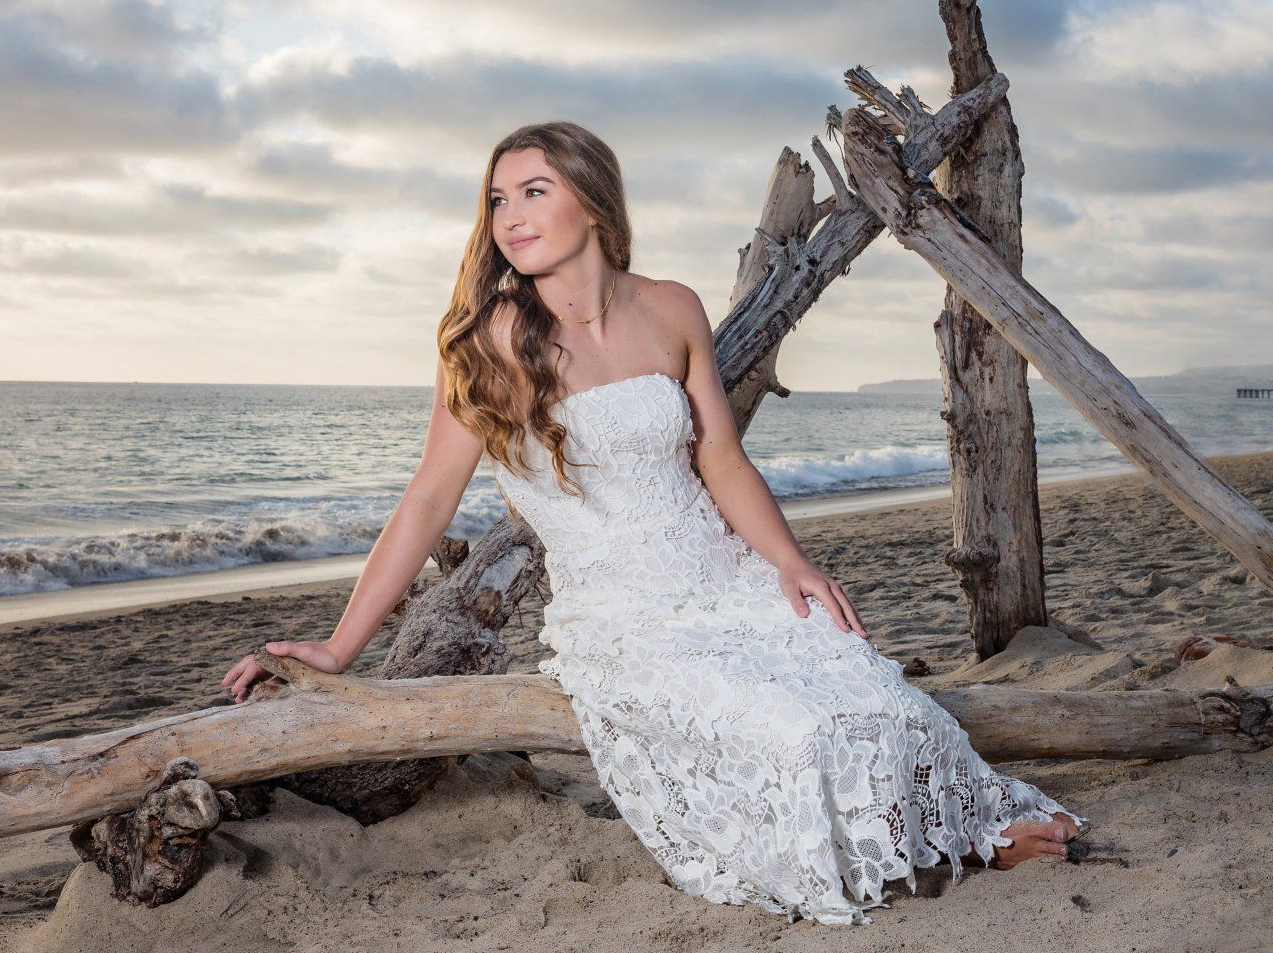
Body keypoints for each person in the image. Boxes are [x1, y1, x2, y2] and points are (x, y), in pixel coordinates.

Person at [221, 119, 1083, 925]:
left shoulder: (673, 307)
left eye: (533, 192)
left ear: (592, 203)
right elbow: (425, 503)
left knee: (882, 703)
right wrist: (339, 649)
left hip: (726, 580)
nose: (509, 218)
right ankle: (943, 849)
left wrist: (789, 562)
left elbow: (720, 461)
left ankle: (969, 835)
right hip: (624, 621)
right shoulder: (488, 341)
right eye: (496, 200)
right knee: (799, 734)